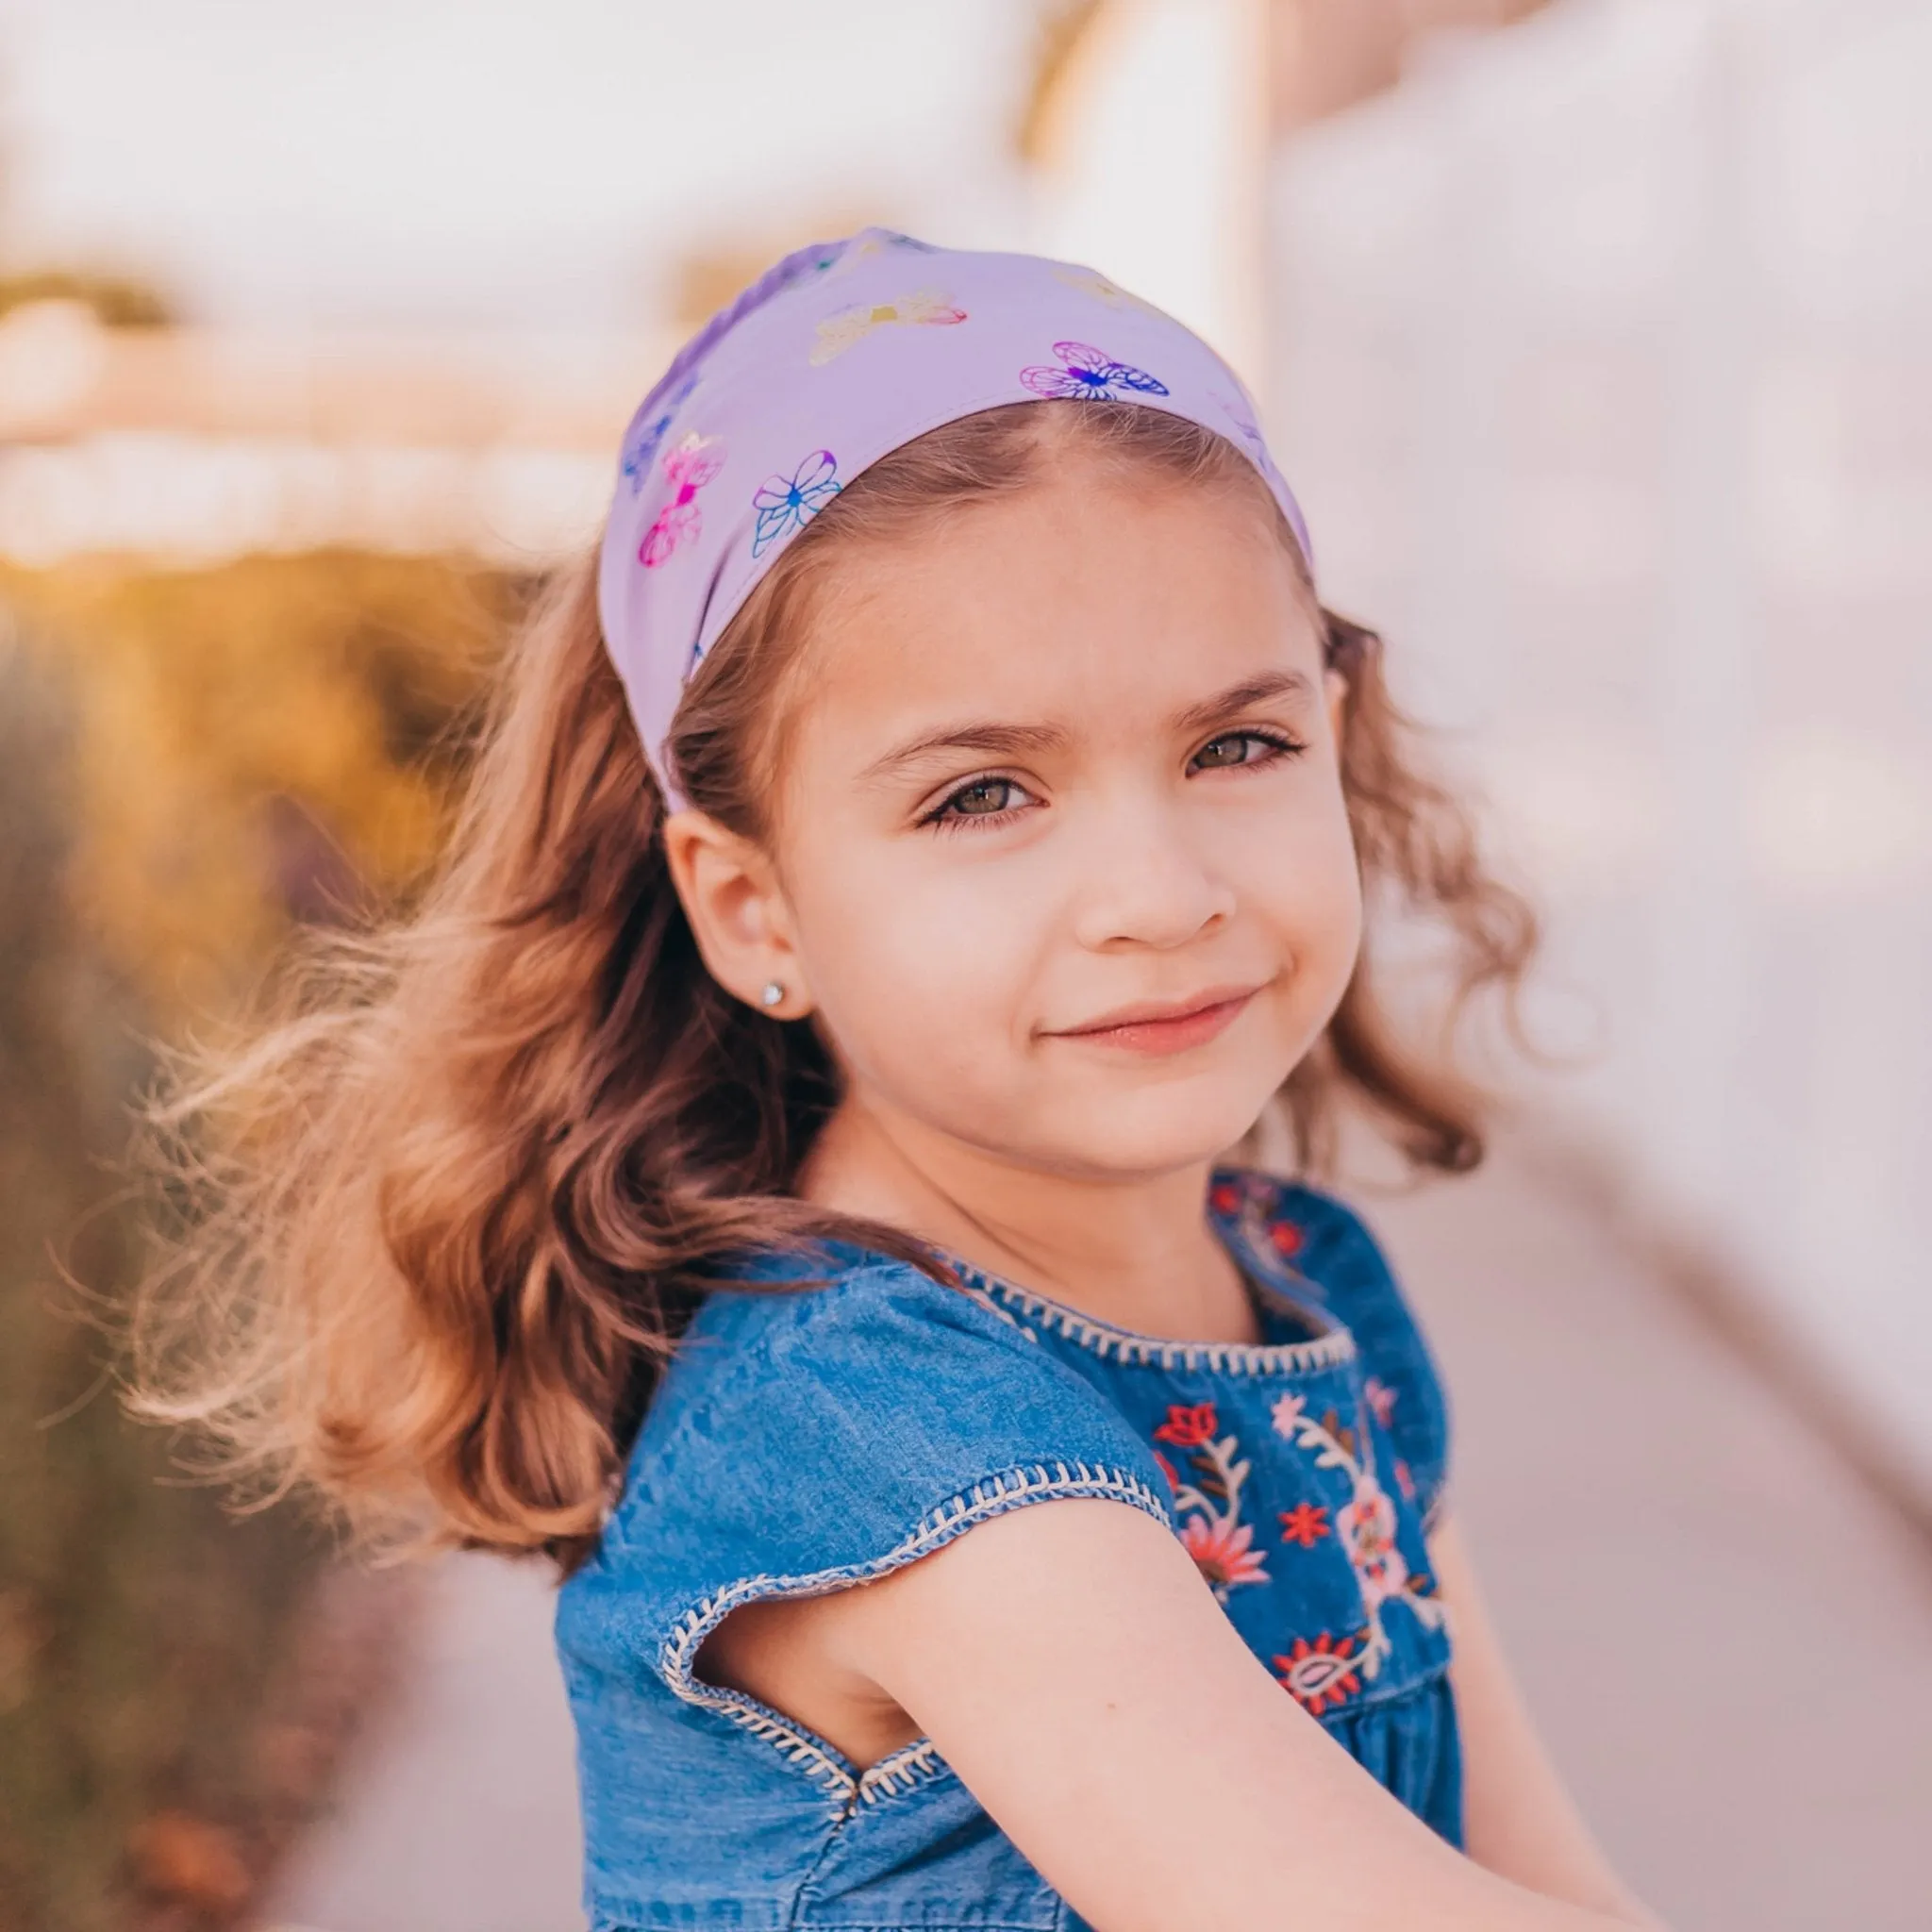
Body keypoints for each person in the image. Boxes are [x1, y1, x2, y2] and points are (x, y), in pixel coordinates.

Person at [136, 229, 1664, 1931]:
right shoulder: (870, 1424)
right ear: (752, 903)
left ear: (1332, 727)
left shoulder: (1318, 1303)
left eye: (1235, 745)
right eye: (981, 797)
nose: (1162, 895)